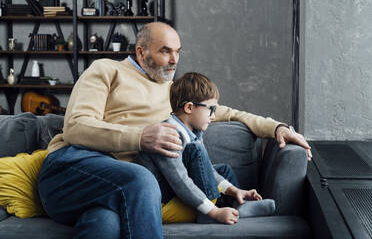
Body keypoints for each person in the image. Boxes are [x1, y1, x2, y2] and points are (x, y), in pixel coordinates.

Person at [38, 22, 312, 239]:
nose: (174, 60)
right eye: (165, 51)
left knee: (105, 224)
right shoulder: (107, 70)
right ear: (141, 51)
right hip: (72, 169)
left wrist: (276, 126)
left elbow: (227, 112)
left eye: (178, 52)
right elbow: (75, 126)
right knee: (141, 179)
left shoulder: (175, 93)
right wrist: (141, 138)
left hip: (116, 190)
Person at [138, 72, 277, 225]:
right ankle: (213, 210)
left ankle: (239, 204)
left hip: (178, 194)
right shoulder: (167, 136)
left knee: (223, 170)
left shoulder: (194, 132)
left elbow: (208, 170)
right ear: (189, 107)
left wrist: (234, 190)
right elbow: (181, 182)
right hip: (163, 204)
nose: (213, 116)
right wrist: (214, 212)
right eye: (211, 109)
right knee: (195, 151)